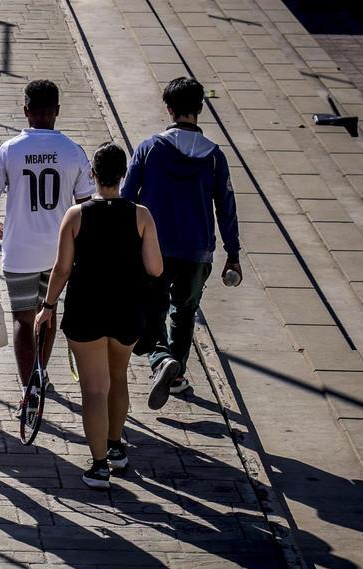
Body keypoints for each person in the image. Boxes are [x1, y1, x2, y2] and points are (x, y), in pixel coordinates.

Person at [36, 143, 164, 489]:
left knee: (94, 390)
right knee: (118, 377)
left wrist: (47, 308)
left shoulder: (76, 215)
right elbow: (155, 267)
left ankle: (98, 466)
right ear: (123, 175)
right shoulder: (141, 215)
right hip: (127, 309)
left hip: (86, 309)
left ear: (92, 174)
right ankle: (115, 445)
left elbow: (62, 269)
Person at [121, 76, 240, 408]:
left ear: (169, 109)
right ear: (200, 109)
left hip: (154, 248)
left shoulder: (149, 149)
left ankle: (160, 359)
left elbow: (128, 199)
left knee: (149, 308)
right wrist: (233, 253)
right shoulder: (215, 156)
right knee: (185, 312)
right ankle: (176, 374)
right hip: (198, 251)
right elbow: (226, 207)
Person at [0, 80, 94, 413]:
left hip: (18, 252)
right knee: (48, 313)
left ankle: (27, 387)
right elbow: (85, 206)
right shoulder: (74, 151)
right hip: (59, 253)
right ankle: (41, 373)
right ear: (57, 111)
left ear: (26, 110)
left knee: (21, 318)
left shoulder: (9, 149)